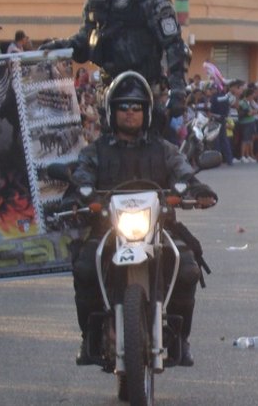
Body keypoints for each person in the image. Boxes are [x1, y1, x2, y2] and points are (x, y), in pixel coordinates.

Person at [69, 71, 217, 367]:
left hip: (158, 228)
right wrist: (80, 194)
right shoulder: (97, 150)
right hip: (108, 229)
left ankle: (179, 338)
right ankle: (89, 336)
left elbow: (183, 171)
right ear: (112, 111)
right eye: (123, 106)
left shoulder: (162, 148)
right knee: (85, 266)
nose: (130, 112)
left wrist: (197, 189)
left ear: (147, 111)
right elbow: (81, 175)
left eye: (136, 106)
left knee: (187, 267)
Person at [66, 0, 187, 138]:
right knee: (104, 157)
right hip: (110, 92)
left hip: (147, 91)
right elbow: (84, 41)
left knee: (161, 156)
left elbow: (174, 46)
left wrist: (178, 91)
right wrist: (59, 47)